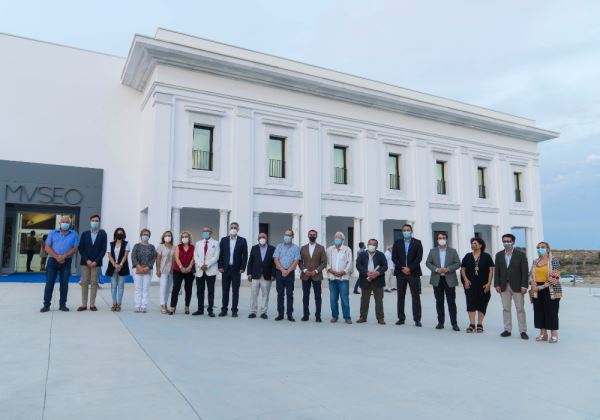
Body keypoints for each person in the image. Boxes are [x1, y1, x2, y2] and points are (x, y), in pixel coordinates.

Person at [40, 215, 79, 312]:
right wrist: (57, 257)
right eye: (63, 221)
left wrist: (64, 256)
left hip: (66, 262)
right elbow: (47, 247)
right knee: (49, 283)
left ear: (70, 224)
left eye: (67, 222)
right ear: (60, 223)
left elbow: (75, 248)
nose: (65, 223)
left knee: (64, 284)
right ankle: (46, 305)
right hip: (52, 261)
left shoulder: (74, 234)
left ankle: (62, 305)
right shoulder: (52, 233)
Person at [494, 233, 529, 339]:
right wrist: (496, 284)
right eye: (504, 241)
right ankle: (507, 329)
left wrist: (524, 285)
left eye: (508, 241)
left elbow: (524, 271)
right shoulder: (499, 255)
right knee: (506, 308)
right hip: (504, 286)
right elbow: (497, 271)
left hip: (518, 286)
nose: (506, 243)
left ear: (513, 242)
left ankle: (523, 331)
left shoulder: (521, 254)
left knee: (520, 309)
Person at [425, 232, 461, 331]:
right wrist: (436, 269)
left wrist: (448, 269)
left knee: (451, 302)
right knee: (439, 302)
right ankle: (440, 323)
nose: (442, 239)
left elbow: (458, 263)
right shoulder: (432, 251)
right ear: (437, 240)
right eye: (440, 238)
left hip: (450, 279)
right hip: (437, 279)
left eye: (443, 237)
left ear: (447, 239)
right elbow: (428, 263)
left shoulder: (453, 251)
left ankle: (454, 323)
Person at [529, 241, 562, 343]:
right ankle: (543, 334)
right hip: (536, 290)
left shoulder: (554, 261)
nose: (540, 249)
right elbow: (530, 274)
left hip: (550, 289)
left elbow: (555, 276)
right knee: (539, 312)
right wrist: (532, 283)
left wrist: (541, 287)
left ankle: (554, 334)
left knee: (551, 312)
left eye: (542, 247)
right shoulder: (535, 261)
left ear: (548, 249)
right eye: (538, 247)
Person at [391, 224, 423, 327]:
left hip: (414, 273)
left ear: (411, 231)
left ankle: (417, 319)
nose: (406, 231)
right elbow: (394, 257)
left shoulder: (417, 243)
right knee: (400, 296)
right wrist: (403, 268)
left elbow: (419, 257)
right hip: (401, 273)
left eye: (408, 230)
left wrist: (410, 268)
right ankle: (401, 318)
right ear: (402, 232)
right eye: (404, 230)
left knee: (416, 297)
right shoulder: (397, 243)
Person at [460, 238, 494, 333]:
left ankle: (479, 324)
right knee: (470, 303)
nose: (473, 245)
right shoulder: (467, 256)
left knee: (482, 303)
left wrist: (489, 283)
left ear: (480, 245)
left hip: (483, 284)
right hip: (470, 284)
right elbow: (463, 269)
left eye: (475, 243)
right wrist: (466, 280)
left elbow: (491, 270)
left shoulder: (486, 256)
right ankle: (471, 324)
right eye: (472, 243)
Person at [77, 214, 107, 312]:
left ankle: (92, 304)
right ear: (90, 221)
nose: (95, 222)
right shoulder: (84, 234)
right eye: (93, 220)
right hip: (85, 262)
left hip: (96, 263)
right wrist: (87, 260)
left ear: (99, 222)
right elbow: (81, 248)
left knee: (94, 283)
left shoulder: (103, 235)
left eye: (96, 220)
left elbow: (103, 249)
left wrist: (96, 261)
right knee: (84, 283)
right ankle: (84, 304)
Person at [217, 222, 248, 317]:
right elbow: (220, 254)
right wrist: (220, 266)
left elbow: (245, 255)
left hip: (236, 269)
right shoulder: (224, 240)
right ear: (229, 229)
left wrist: (243, 267)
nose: (233, 229)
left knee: (235, 291)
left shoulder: (242, 240)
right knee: (225, 290)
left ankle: (234, 310)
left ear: (238, 229)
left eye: (235, 227)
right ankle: (224, 310)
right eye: (232, 227)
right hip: (225, 269)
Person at [356, 239, 388, 324]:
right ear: (367, 245)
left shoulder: (380, 255)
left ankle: (380, 318)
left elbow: (385, 266)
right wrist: (366, 272)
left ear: (376, 246)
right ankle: (362, 317)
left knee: (379, 300)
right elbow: (358, 265)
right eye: (370, 244)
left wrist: (378, 272)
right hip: (365, 280)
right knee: (364, 300)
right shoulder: (362, 254)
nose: (371, 246)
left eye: (373, 245)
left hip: (378, 280)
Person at [299, 229, 327, 322]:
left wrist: (316, 271)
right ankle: (306, 314)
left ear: (316, 236)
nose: (312, 236)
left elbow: (324, 262)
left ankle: (318, 315)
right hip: (305, 275)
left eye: (314, 235)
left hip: (317, 276)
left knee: (318, 296)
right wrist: (305, 270)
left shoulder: (321, 248)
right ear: (308, 236)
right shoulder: (303, 248)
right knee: (305, 296)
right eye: (310, 234)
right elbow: (299, 261)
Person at [246, 232, 276, 319]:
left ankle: (263, 312)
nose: (262, 238)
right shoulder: (254, 248)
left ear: (267, 238)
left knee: (265, 295)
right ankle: (253, 311)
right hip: (255, 275)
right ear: (258, 239)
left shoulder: (272, 248)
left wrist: (273, 274)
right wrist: (249, 273)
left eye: (264, 237)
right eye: (260, 237)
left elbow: (275, 263)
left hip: (267, 276)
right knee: (254, 294)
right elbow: (250, 261)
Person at [273, 229, 301, 321]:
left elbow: (296, 261)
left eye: (289, 235)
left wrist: (288, 271)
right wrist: (282, 270)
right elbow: (276, 259)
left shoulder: (296, 248)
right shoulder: (279, 246)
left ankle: (289, 314)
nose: (287, 236)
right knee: (280, 294)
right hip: (279, 273)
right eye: (286, 234)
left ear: (292, 237)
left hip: (290, 273)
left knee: (290, 294)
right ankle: (280, 314)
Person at [326, 232, 353, 324]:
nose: (336, 239)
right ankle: (334, 316)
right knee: (333, 299)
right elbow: (326, 262)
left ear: (343, 239)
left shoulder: (347, 250)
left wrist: (343, 272)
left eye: (339, 237)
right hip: (332, 278)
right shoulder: (329, 249)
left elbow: (350, 263)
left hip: (343, 279)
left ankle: (347, 317)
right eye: (335, 237)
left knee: (344, 299)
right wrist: (332, 271)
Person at [193, 226, 220, 317]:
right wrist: (201, 265)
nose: (205, 233)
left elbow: (216, 257)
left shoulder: (216, 243)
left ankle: (210, 310)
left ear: (211, 232)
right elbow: (195, 255)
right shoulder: (198, 243)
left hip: (210, 270)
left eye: (207, 231)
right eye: (203, 231)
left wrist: (207, 265)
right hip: (200, 270)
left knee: (210, 291)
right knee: (200, 291)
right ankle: (200, 309)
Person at [131, 229, 157, 313]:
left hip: (148, 270)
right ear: (141, 235)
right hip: (137, 269)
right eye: (144, 234)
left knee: (145, 289)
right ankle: (137, 305)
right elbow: (133, 257)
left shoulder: (152, 247)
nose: (145, 236)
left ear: (149, 236)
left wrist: (148, 267)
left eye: (147, 234)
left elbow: (153, 258)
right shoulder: (136, 246)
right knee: (138, 289)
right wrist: (138, 266)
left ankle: (143, 306)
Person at [169, 231, 195, 315]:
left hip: (189, 270)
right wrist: (181, 267)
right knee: (176, 288)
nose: (185, 238)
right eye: (183, 237)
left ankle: (187, 307)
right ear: (181, 238)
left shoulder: (193, 247)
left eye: (186, 236)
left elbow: (193, 258)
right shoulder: (178, 247)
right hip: (178, 270)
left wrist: (189, 267)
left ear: (189, 238)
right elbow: (176, 258)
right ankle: (173, 307)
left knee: (188, 289)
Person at [105, 227, 130, 312]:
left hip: (122, 267)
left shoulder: (126, 243)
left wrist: (120, 265)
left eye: (121, 233)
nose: (120, 234)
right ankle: (114, 303)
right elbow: (109, 255)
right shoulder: (110, 244)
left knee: (121, 286)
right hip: (112, 267)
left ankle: (119, 304)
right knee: (113, 286)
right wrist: (114, 264)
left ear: (123, 234)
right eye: (118, 233)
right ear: (115, 234)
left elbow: (125, 255)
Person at [156, 230, 175, 314]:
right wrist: (158, 270)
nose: (168, 237)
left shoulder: (174, 247)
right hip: (163, 270)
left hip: (172, 270)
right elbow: (158, 259)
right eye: (166, 235)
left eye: (169, 235)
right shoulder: (160, 247)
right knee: (163, 288)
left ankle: (166, 304)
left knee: (168, 289)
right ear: (163, 237)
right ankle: (162, 305)